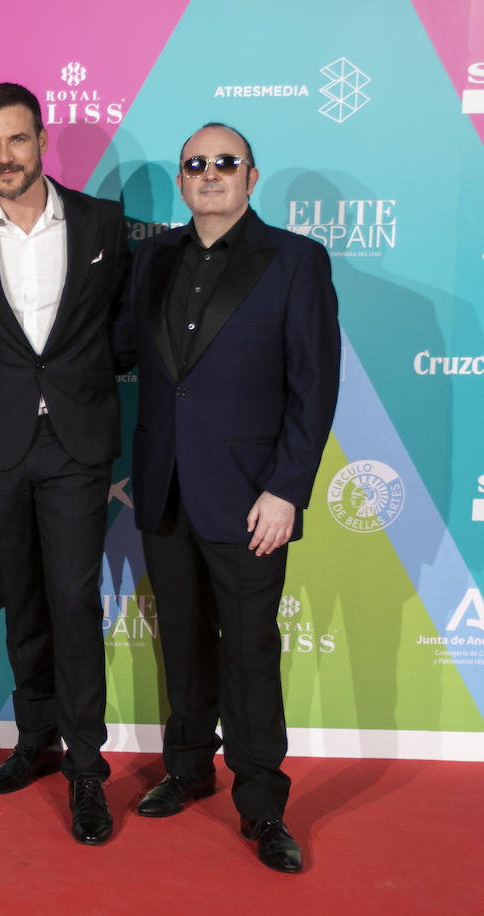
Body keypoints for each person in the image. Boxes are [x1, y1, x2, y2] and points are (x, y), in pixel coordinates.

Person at [114, 123, 340, 873]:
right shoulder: (151, 258)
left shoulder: (296, 261)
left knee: (248, 653)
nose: (209, 173)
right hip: (163, 487)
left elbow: (314, 388)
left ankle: (264, 806)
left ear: (251, 176)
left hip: (251, 500)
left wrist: (286, 489)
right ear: (181, 182)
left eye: (224, 163)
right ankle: (186, 768)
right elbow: (127, 358)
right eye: (195, 165)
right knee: (180, 639)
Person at [0, 82, 129, 844]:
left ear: (41, 139)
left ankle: (86, 769)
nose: (3, 157)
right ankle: (34, 737)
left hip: (75, 442)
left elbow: (123, 328)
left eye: (16, 140)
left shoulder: (103, 223)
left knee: (73, 599)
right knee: (20, 597)